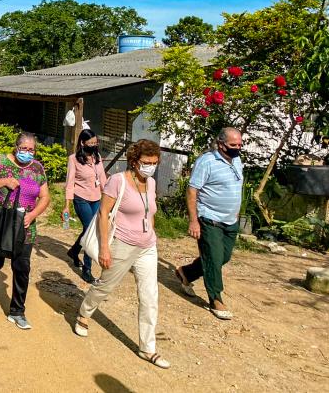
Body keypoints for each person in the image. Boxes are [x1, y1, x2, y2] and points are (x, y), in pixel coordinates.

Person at [73, 139, 170, 369]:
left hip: (147, 247)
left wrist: (151, 233)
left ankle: (148, 348)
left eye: (155, 162)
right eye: (147, 162)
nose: (151, 166)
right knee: (105, 285)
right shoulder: (118, 181)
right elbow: (103, 213)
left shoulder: (152, 183)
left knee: (149, 296)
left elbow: (150, 212)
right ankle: (84, 314)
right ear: (135, 161)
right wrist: (105, 248)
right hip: (122, 244)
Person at [0, 132, 50, 330]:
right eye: (24, 149)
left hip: (25, 226)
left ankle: (17, 311)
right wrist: (3, 181)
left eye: (32, 150)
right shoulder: (0, 162)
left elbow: (45, 197)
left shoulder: (38, 168)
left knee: (22, 268)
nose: (28, 153)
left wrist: (32, 215)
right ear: (16, 147)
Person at [176, 127, 244, 320]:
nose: (237, 148)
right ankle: (215, 298)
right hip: (209, 219)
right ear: (221, 144)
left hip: (230, 220)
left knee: (223, 257)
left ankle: (186, 273)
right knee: (213, 259)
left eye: (240, 145)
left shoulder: (237, 160)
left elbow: (236, 186)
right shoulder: (207, 162)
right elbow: (192, 191)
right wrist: (193, 220)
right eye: (233, 145)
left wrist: (236, 210)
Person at [64, 129, 107, 284]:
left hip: (96, 198)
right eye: (91, 143)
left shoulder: (97, 157)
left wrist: (109, 196)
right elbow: (69, 183)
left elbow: (102, 178)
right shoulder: (73, 159)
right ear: (82, 143)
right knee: (91, 231)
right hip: (81, 198)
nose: (94, 146)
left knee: (90, 230)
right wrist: (66, 206)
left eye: (96, 143)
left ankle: (74, 251)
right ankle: (87, 269)